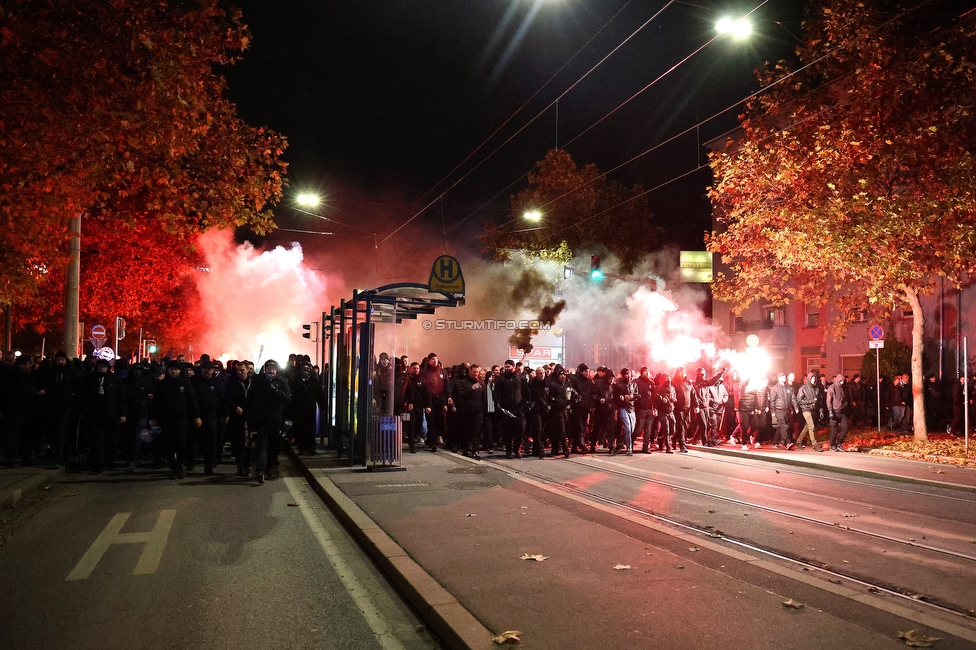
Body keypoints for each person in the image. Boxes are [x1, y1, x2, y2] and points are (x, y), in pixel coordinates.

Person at [149, 360, 200, 479]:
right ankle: (173, 467)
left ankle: (180, 465)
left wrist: (196, 416)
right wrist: (152, 418)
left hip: (181, 419)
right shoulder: (162, 384)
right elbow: (156, 403)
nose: (174, 371)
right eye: (172, 369)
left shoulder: (185, 383)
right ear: (168, 370)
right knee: (168, 446)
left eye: (176, 369)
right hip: (166, 420)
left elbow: (192, 401)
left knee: (182, 444)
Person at [190, 360, 225, 475]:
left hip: (212, 416)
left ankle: (209, 466)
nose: (207, 371)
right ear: (201, 370)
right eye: (205, 369)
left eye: (209, 369)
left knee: (211, 442)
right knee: (193, 440)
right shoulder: (194, 382)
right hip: (196, 416)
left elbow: (222, 399)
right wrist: (196, 415)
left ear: (213, 370)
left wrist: (224, 414)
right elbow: (192, 400)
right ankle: (190, 463)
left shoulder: (217, 382)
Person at [289, 361, 326, 455]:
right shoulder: (296, 381)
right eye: (304, 368)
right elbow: (292, 396)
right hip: (298, 409)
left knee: (310, 429)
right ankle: (302, 448)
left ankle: (311, 448)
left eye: (308, 368)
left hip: (310, 409)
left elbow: (320, 395)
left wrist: (323, 407)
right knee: (300, 429)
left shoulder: (314, 381)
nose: (306, 370)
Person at [495, 360, 525, 459]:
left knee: (520, 430)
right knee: (507, 432)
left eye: (508, 367)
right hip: (506, 409)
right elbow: (496, 393)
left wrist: (525, 404)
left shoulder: (520, 378)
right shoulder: (501, 380)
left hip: (518, 408)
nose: (506, 368)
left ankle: (516, 449)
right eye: (505, 367)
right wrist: (499, 405)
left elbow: (525, 392)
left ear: (513, 367)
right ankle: (508, 451)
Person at [403, 362, 430, 454]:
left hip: (419, 406)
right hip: (409, 407)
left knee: (418, 423)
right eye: (414, 368)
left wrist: (428, 405)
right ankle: (412, 444)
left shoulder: (423, 381)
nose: (416, 370)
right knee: (411, 424)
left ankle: (414, 438)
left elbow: (427, 394)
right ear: (410, 368)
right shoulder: (407, 379)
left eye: (417, 368)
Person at [611, 368, 638, 455]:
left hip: (632, 408)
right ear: (623, 375)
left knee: (632, 429)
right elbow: (614, 397)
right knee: (627, 428)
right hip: (622, 408)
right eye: (626, 374)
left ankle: (621, 443)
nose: (628, 376)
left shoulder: (634, 384)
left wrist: (630, 397)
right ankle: (629, 448)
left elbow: (637, 395)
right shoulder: (618, 385)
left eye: (629, 374)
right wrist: (621, 398)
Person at [653, 372, 681, 453]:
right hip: (663, 411)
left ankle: (661, 438)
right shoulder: (659, 388)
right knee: (666, 429)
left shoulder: (672, 388)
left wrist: (674, 399)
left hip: (671, 410)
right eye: (666, 378)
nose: (668, 380)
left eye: (669, 378)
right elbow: (655, 398)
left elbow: (675, 398)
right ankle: (668, 446)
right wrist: (662, 399)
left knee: (673, 426)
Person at [794, 372, 822, 450]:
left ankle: (799, 441)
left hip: (812, 410)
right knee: (811, 426)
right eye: (812, 378)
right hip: (805, 409)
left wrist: (820, 409)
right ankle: (815, 444)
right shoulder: (803, 388)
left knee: (807, 426)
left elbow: (817, 400)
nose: (814, 380)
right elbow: (799, 400)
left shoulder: (816, 389)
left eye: (815, 378)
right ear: (809, 379)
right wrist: (810, 402)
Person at [769, 373, 795, 450]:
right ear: (779, 378)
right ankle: (787, 442)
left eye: (784, 376)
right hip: (779, 410)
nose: (784, 377)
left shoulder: (788, 387)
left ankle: (775, 442)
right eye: (782, 376)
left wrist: (795, 407)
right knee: (784, 426)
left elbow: (792, 398)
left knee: (780, 427)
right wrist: (773, 411)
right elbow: (772, 400)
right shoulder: (775, 388)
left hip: (786, 410)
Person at [827, 373, 850, 452]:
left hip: (842, 411)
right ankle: (832, 444)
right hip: (834, 411)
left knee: (846, 427)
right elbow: (828, 401)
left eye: (843, 381)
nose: (842, 383)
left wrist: (845, 407)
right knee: (834, 429)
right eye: (840, 381)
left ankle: (839, 442)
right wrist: (830, 411)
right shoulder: (832, 388)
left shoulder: (843, 388)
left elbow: (844, 399)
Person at [634, 367, 655, 453]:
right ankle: (630, 441)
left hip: (649, 409)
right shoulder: (636, 382)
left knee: (648, 429)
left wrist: (654, 406)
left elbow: (654, 395)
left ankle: (645, 447)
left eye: (648, 371)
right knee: (639, 428)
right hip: (640, 409)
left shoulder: (651, 383)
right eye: (646, 371)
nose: (647, 373)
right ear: (642, 372)